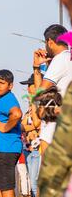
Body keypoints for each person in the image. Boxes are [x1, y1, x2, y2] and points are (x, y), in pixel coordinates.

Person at [33, 24, 72, 154]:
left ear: (50, 42)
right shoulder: (67, 59)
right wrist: (38, 69)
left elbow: (41, 92)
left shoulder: (60, 59)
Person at [20, 74, 42, 197]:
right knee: (33, 182)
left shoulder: (40, 105)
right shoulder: (31, 106)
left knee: (35, 183)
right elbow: (24, 124)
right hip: (28, 148)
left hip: (37, 148)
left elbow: (39, 124)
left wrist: (23, 127)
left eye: (30, 85)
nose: (28, 89)